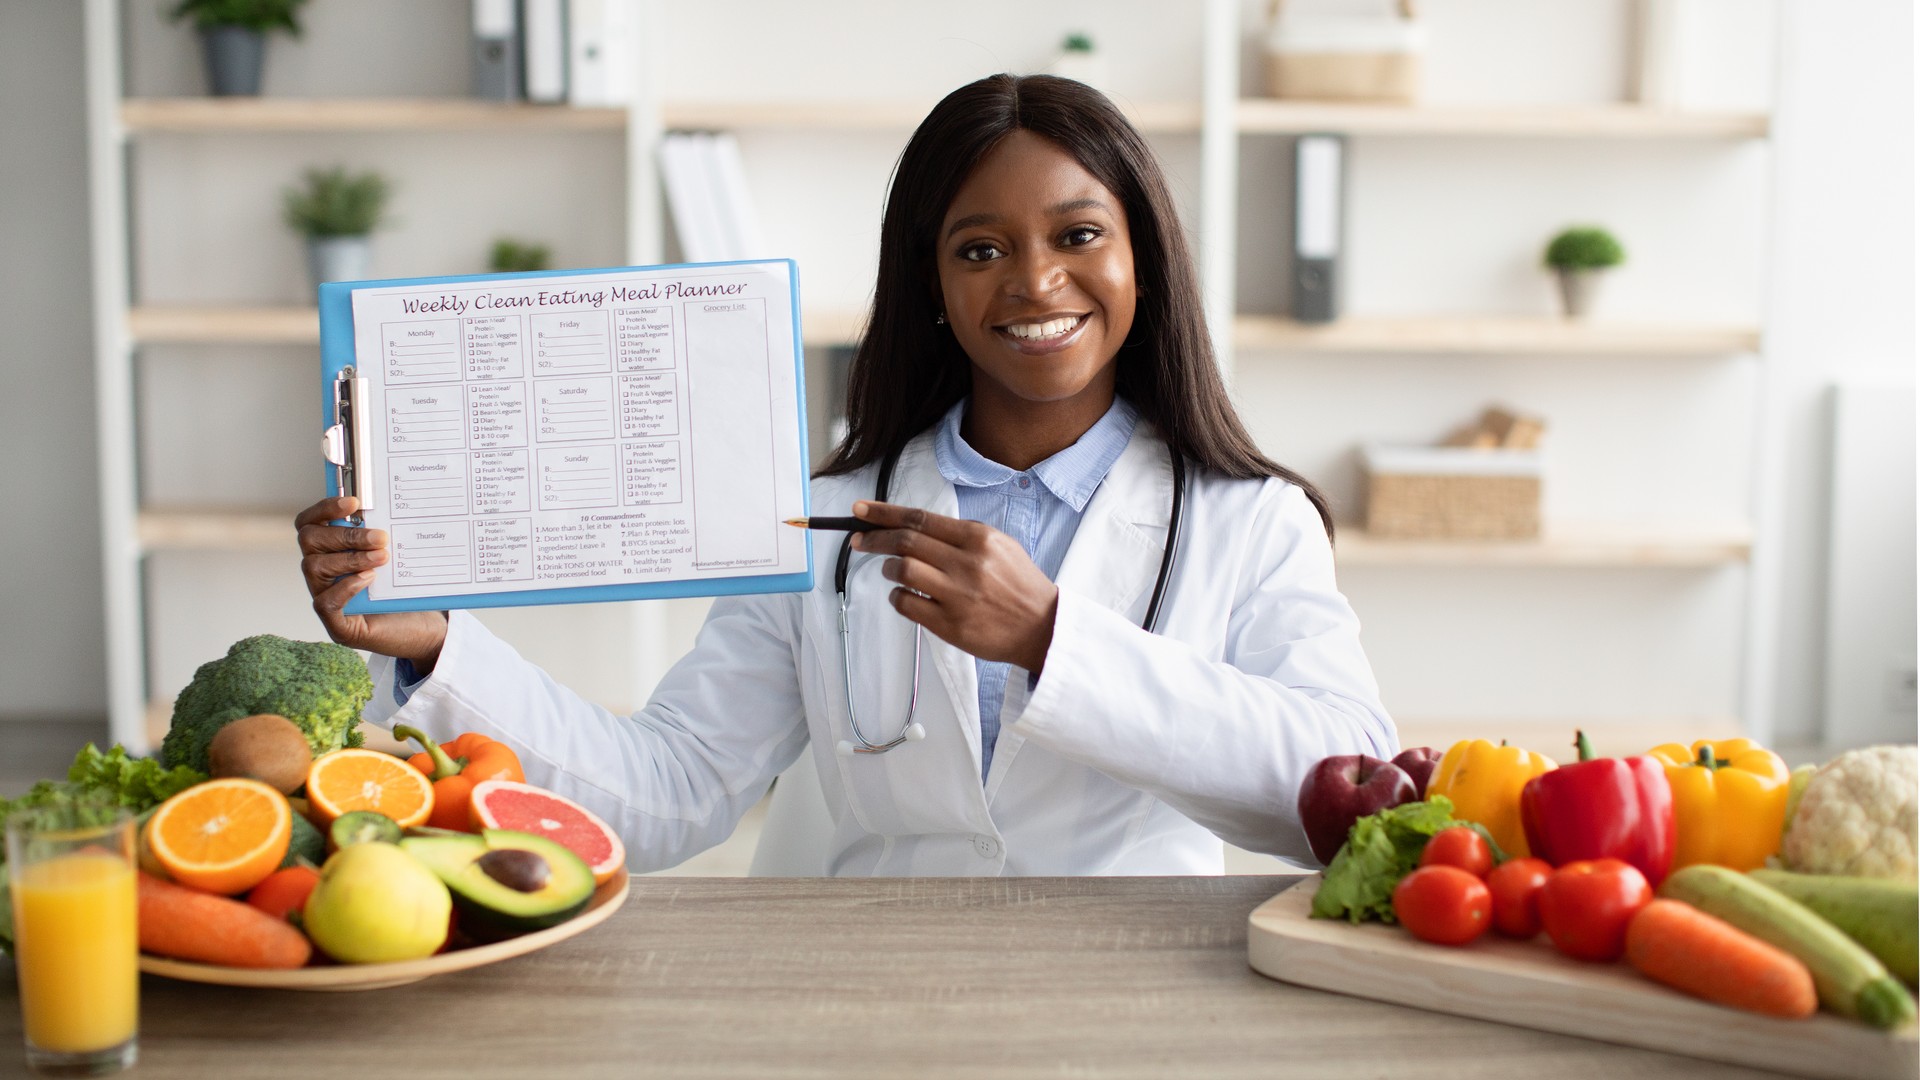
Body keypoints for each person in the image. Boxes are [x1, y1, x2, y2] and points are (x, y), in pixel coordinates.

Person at [293, 74, 1397, 876]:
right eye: (980, 248)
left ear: (1142, 261)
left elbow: (1344, 789)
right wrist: (442, 647)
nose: (1033, 281)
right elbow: (672, 795)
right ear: (930, 283)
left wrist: (1054, 639)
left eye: (1077, 234)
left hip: (1132, 1002)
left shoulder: (1250, 521)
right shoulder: (819, 520)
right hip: (869, 1000)